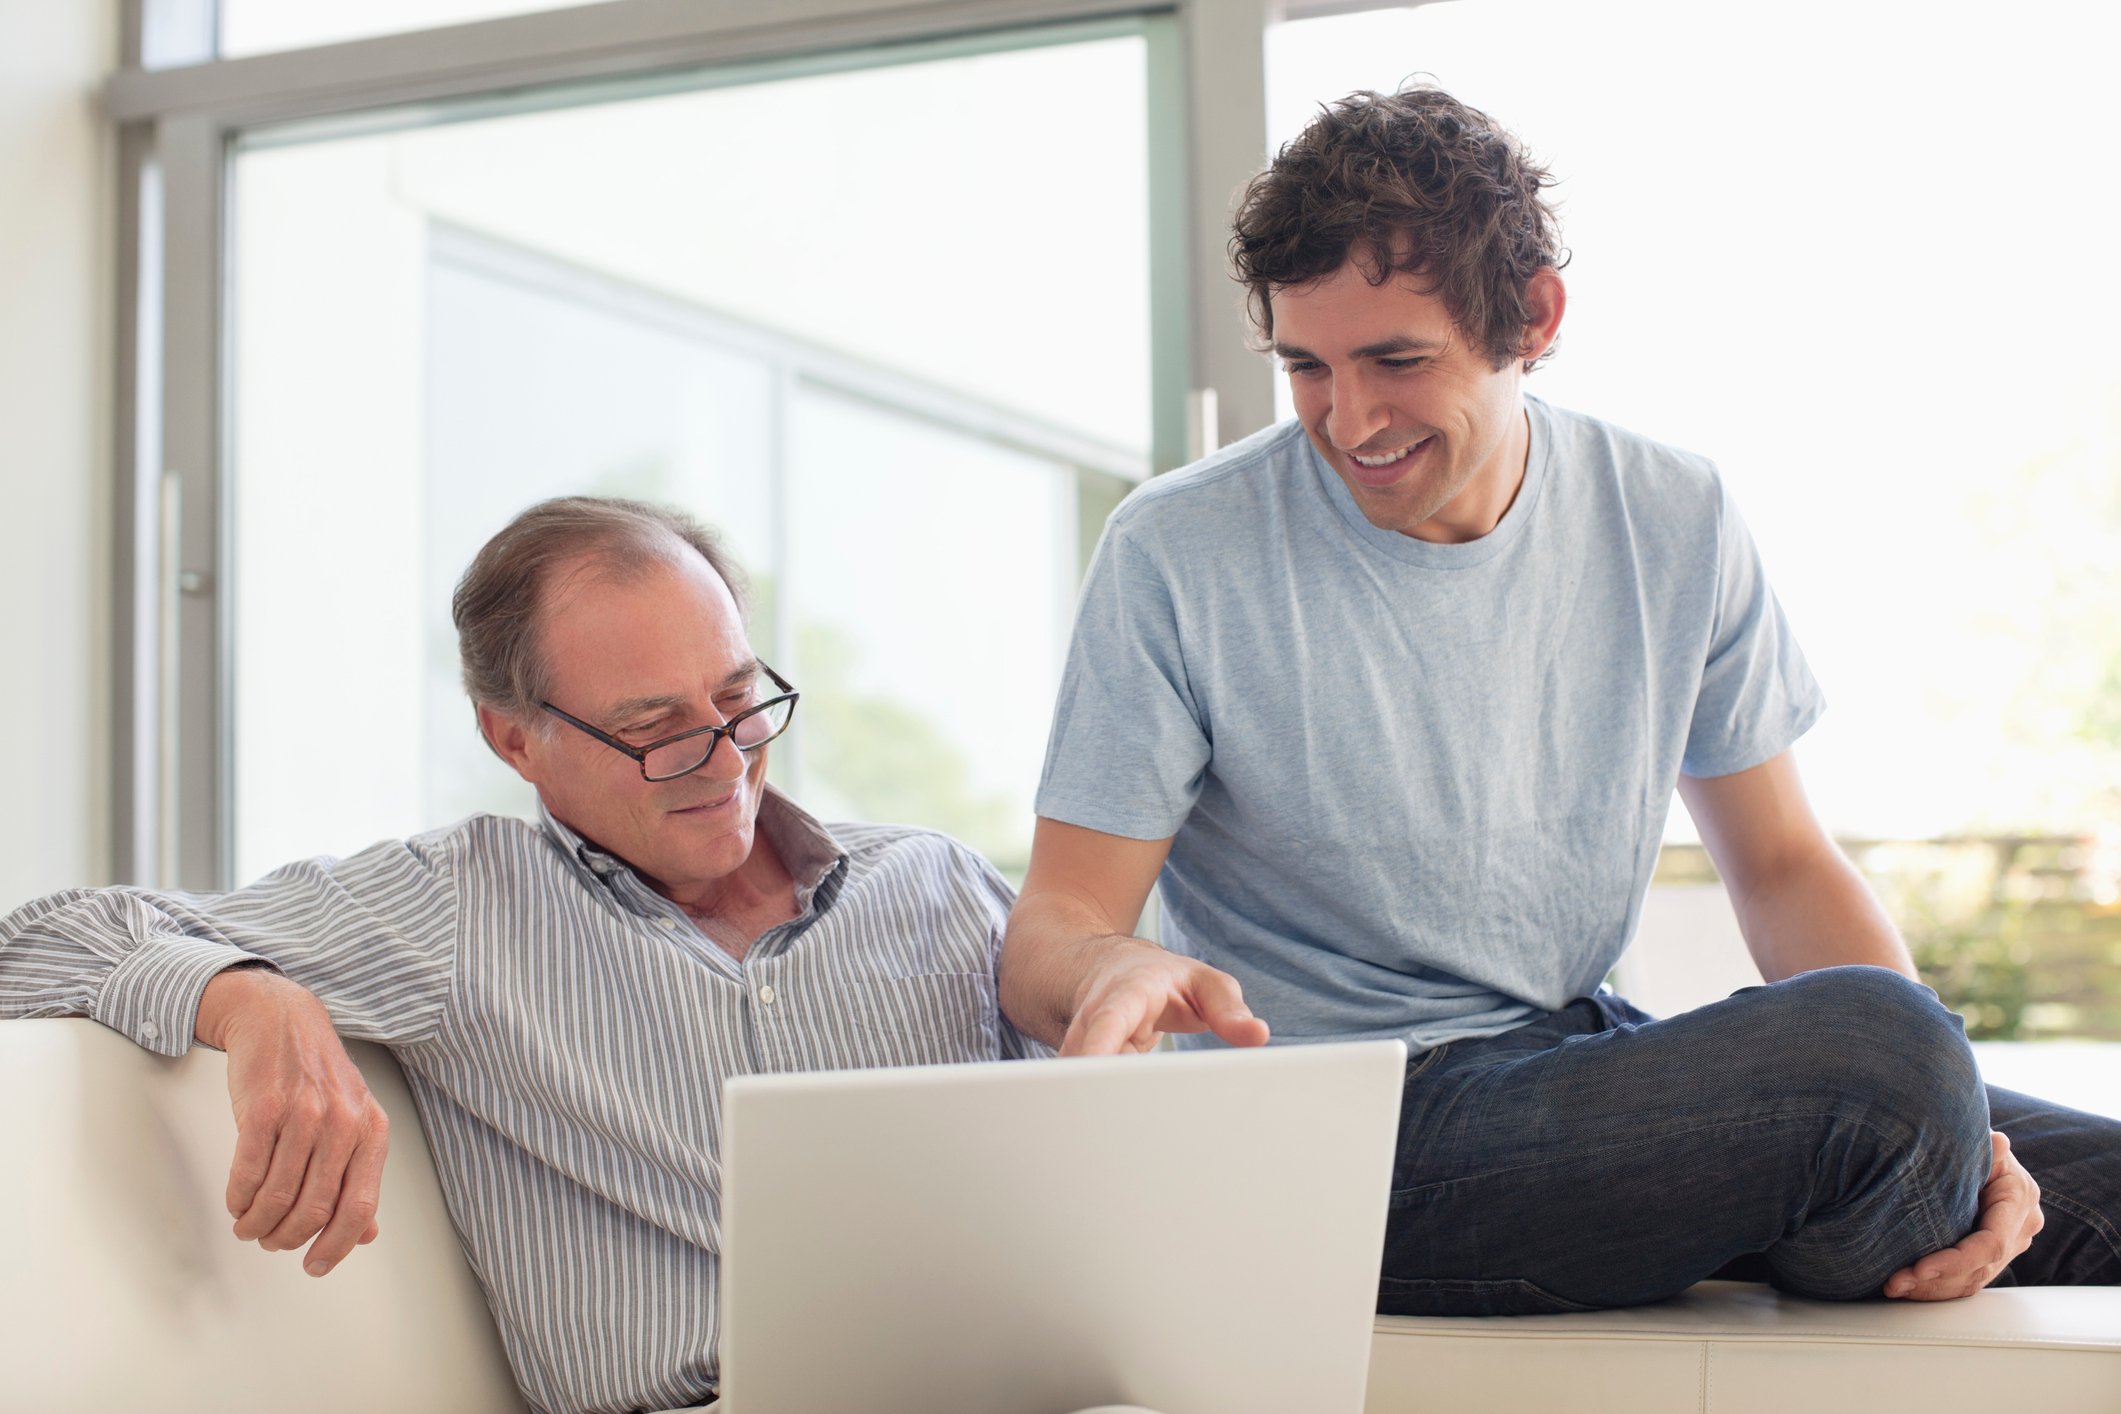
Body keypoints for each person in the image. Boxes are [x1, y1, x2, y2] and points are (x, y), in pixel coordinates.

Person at [1000, 86, 2119, 1312]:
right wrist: (1104, 968)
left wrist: (1957, 1113)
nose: (1349, 419)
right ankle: (1851, 1196)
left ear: (1532, 318)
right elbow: (1055, 923)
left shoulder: (1672, 514)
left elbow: (1787, 867)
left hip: (1579, 1065)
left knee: (2015, 1127)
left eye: (1397, 361)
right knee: (1884, 1064)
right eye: (1306, 368)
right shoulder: (1177, 548)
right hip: (1345, 1132)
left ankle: (1850, 1197)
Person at [0, 495, 1042, 1414]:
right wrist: (244, 992)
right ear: (514, 741)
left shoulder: (936, 882)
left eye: (737, 699)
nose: (725, 760)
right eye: (657, 729)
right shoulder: (457, 906)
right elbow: (37, 940)